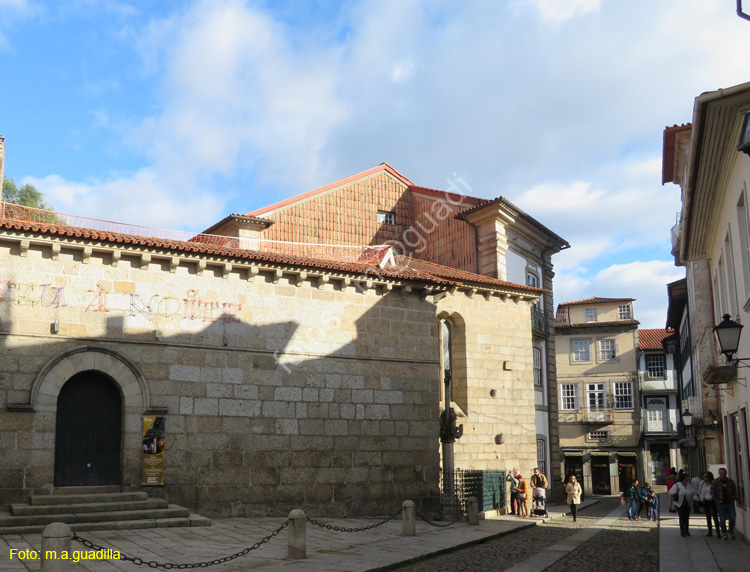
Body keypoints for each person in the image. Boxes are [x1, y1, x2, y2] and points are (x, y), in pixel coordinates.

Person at [711, 468, 738, 540]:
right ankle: (724, 532)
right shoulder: (715, 482)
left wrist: (734, 498)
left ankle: (730, 531)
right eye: (721, 473)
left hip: (729, 502)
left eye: (724, 473)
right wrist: (716, 500)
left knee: (733, 517)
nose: (722, 475)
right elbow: (712, 492)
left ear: (726, 473)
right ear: (719, 474)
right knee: (722, 519)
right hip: (720, 503)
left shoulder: (730, 482)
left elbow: (734, 490)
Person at [699, 471, 720, 538]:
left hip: (713, 501)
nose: (704, 478)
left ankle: (718, 532)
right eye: (704, 476)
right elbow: (699, 491)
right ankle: (710, 531)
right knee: (708, 517)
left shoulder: (713, 483)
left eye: (706, 476)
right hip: (706, 501)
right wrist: (700, 498)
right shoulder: (702, 483)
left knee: (715, 516)